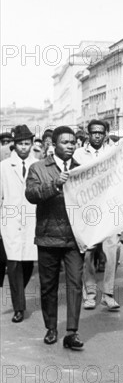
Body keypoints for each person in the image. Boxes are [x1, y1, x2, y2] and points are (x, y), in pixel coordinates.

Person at [25, 126, 85, 349]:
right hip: (48, 236)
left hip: (74, 237)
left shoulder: (82, 169)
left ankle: (72, 332)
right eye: (65, 142)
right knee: (48, 285)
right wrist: (55, 184)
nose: (70, 146)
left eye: (73, 142)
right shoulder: (38, 168)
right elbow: (31, 194)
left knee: (75, 284)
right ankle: (51, 327)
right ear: (53, 145)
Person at [73, 120, 120, 311]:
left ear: (106, 133)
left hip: (109, 207)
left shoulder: (114, 152)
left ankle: (108, 294)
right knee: (88, 252)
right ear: (88, 134)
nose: (97, 136)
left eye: (101, 132)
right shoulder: (78, 154)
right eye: (93, 133)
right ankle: (90, 293)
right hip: (88, 207)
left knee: (112, 249)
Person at [0, 125, 38, 323]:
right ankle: (19, 307)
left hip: (31, 218)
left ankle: (18, 293)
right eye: (20, 144)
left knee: (28, 263)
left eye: (27, 144)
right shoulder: (4, 167)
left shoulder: (38, 165)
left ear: (31, 144)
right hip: (11, 220)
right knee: (13, 262)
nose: (24, 147)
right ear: (14, 145)